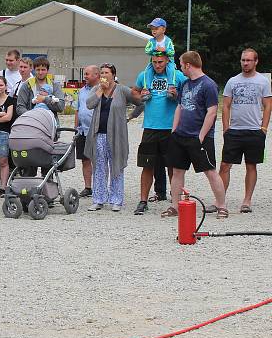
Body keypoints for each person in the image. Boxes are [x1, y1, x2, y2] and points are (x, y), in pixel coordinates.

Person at [163, 51, 228, 219]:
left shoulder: (209, 84)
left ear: (188, 65)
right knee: (177, 171)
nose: (179, 67)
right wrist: (174, 130)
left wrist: (201, 136)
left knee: (210, 171)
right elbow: (180, 107)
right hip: (180, 135)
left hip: (199, 137)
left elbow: (212, 112)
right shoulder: (184, 84)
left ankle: (222, 206)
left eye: (180, 64)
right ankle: (175, 206)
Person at [131, 55, 186, 215]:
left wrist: (177, 95)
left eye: (160, 62)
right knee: (147, 165)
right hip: (150, 127)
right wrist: (140, 96)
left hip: (171, 128)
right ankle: (143, 201)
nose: (157, 65)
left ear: (167, 61)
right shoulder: (144, 76)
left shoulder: (177, 76)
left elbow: (189, 93)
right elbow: (134, 91)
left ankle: (175, 201)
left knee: (173, 167)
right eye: (154, 62)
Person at [218, 48, 271, 213]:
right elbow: (225, 105)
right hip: (234, 130)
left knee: (251, 165)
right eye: (243, 60)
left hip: (255, 130)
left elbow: (268, 104)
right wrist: (226, 128)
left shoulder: (263, 81)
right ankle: (220, 200)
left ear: (256, 62)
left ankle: (247, 201)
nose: (245, 63)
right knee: (225, 165)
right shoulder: (233, 81)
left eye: (249, 60)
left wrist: (264, 128)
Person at [84, 64, 141, 212]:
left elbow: (140, 102)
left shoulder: (122, 90)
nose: (104, 75)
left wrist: (130, 116)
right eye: (102, 72)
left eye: (107, 72)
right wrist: (100, 90)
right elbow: (89, 104)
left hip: (116, 135)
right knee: (99, 168)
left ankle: (116, 199)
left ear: (113, 74)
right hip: (99, 134)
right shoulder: (96, 89)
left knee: (116, 166)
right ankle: (99, 199)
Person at [74, 65, 99, 198]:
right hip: (82, 130)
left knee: (97, 160)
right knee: (85, 160)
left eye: (88, 74)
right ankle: (88, 187)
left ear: (96, 75)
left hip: (95, 131)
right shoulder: (82, 91)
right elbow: (77, 110)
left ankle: (99, 186)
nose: (85, 76)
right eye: (85, 74)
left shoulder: (101, 90)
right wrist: (75, 128)